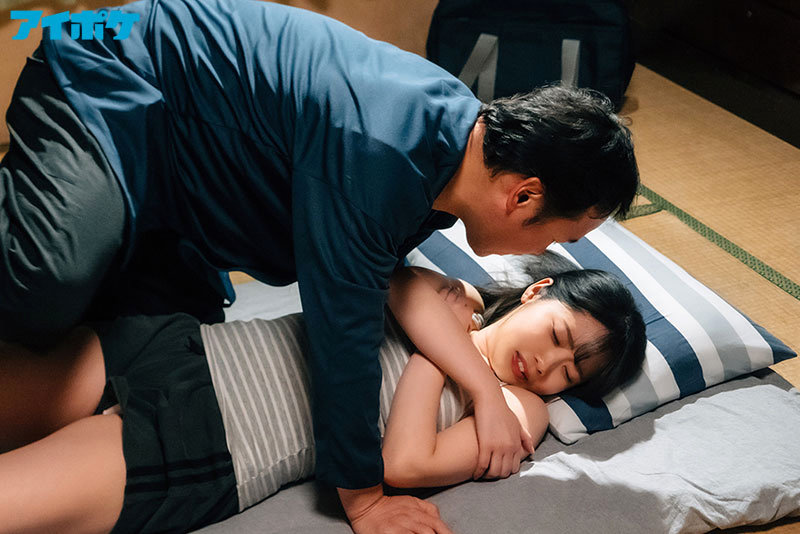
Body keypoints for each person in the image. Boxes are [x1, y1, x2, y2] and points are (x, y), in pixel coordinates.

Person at [0, 0, 640, 528]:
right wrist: (363, 500)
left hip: (196, 267)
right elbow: (346, 327)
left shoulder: (448, 168)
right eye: (562, 233)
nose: (538, 252)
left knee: (142, 322)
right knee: (45, 279)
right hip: (117, 70)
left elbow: (380, 285)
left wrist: (476, 380)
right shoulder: (385, 152)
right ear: (523, 195)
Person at [0, 262, 647, 533]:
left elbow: (404, 462)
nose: (547, 365)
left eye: (569, 374)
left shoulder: (518, 412)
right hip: (188, 348)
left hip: (222, 437)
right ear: (537, 292)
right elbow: (390, 281)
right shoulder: (458, 294)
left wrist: (440, 355)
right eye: (558, 336)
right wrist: (461, 346)